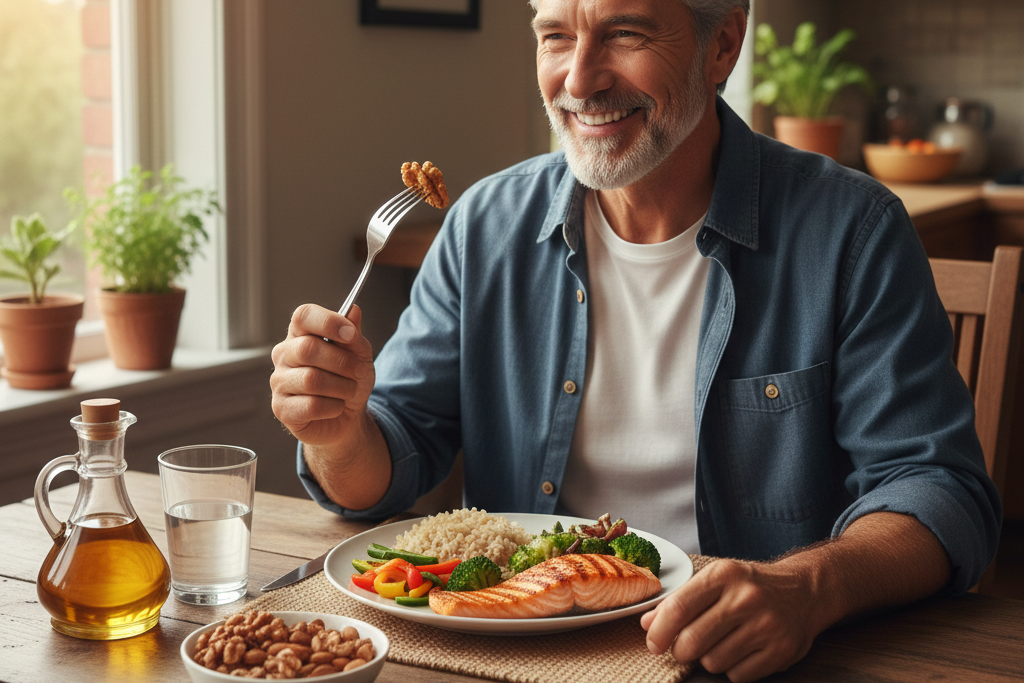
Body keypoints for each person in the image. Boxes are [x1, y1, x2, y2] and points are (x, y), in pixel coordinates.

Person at [270, 1, 1000, 681]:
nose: (579, 79)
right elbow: (387, 463)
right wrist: (338, 432)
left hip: (742, 660)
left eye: (626, 33)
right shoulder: (482, 225)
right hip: (512, 655)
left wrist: (807, 587)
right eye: (556, 36)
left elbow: (940, 491)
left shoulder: (853, 232)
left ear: (722, 46)